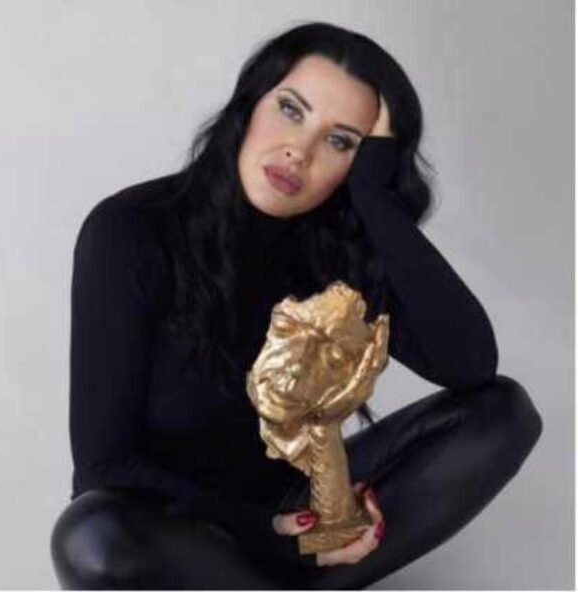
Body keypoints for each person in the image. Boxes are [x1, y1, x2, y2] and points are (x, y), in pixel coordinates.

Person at [50, 21, 543, 590]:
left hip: (296, 503)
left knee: (502, 414)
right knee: (91, 537)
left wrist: (375, 202)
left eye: (340, 142)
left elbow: (471, 366)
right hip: (180, 524)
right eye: (291, 110)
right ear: (250, 104)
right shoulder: (131, 231)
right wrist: (269, 532)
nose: (299, 151)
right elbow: (103, 467)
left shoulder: (336, 250)